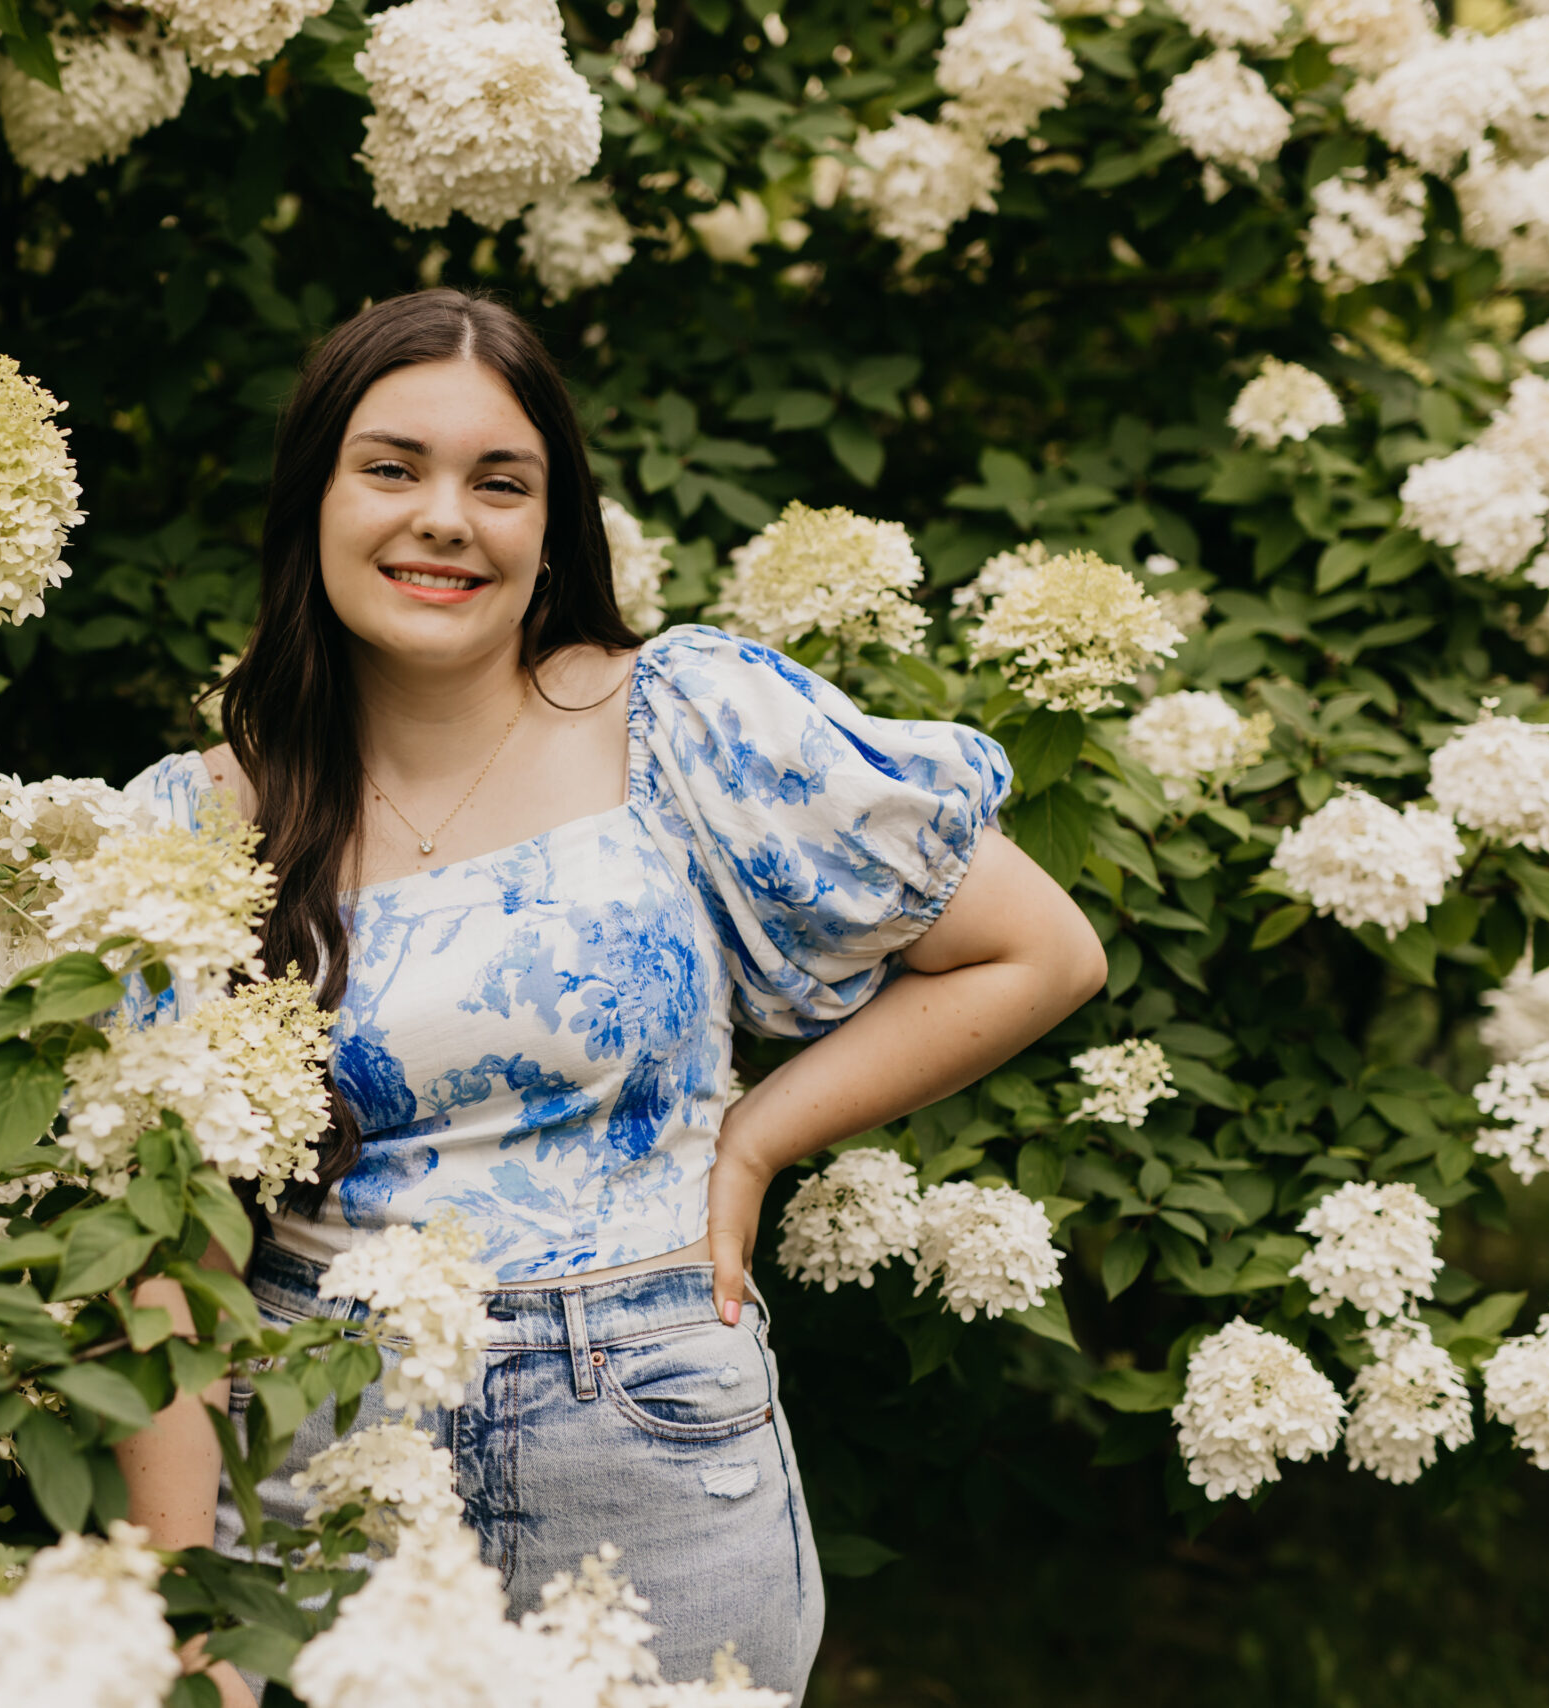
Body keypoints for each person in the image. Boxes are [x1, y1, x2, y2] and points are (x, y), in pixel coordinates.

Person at [114, 289, 1107, 1701]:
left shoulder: (681, 724)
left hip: (645, 1436)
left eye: (498, 482)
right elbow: (173, 1260)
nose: (444, 517)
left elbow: (1041, 952)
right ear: (313, 500)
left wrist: (757, 1139)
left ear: (550, 526)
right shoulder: (194, 831)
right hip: (312, 1461)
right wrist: (178, 1620)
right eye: (392, 467)